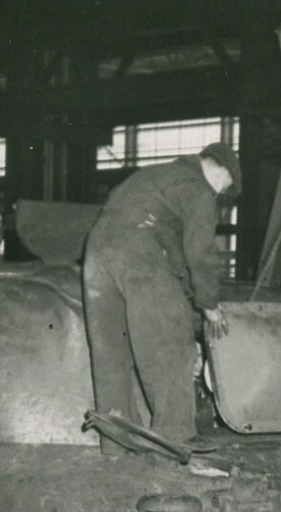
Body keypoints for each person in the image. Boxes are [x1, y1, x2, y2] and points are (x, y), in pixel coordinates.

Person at [82, 142, 240, 452]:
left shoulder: (156, 175)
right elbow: (201, 252)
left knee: (111, 352)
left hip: (96, 251)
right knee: (170, 341)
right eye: (225, 187)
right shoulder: (198, 188)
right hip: (138, 248)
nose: (219, 194)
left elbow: (174, 249)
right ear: (220, 169)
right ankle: (175, 438)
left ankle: (115, 447)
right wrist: (210, 306)